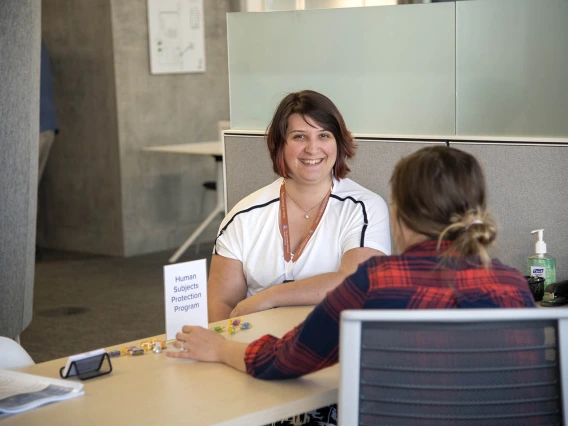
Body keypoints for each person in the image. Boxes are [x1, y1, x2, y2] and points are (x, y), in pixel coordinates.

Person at [168, 146, 536, 413]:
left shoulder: (378, 281)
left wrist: (218, 348)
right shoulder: (513, 285)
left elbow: (283, 361)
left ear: (398, 216)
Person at [208, 90, 391, 322]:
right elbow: (222, 304)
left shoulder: (364, 208)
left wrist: (269, 296)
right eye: (299, 137)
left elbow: (355, 283)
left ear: (339, 142)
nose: (312, 148)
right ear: (279, 145)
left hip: (332, 348)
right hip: (253, 348)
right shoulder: (243, 216)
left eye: (324, 135)